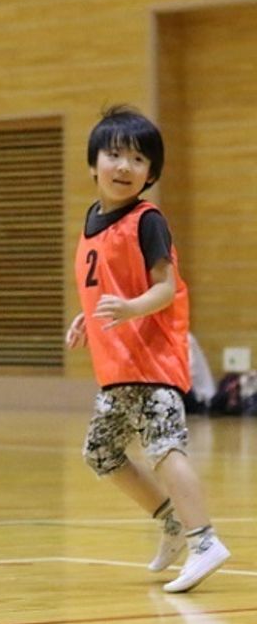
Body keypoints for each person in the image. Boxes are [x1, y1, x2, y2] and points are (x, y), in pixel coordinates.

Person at [65, 105, 229, 593]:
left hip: (152, 361)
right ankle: (172, 521)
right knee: (101, 453)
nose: (124, 167)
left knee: (163, 447)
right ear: (93, 163)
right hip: (117, 365)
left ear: (151, 173)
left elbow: (165, 287)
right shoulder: (94, 220)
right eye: (114, 154)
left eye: (138, 159)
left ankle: (205, 540)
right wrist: (87, 319)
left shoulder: (147, 219)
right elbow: (107, 286)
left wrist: (133, 310)